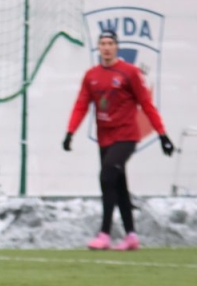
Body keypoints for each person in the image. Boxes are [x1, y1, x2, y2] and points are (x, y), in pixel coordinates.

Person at [64, 29, 174, 251]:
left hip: (125, 137)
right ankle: (131, 236)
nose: (106, 47)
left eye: (110, 43)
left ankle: (104, 233)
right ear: (99, 47)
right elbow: (81, 105)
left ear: (116, 47)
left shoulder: (129, 73)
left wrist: (163, 135)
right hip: (105, 137)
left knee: (106, 176)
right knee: (119, 185)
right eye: (102, 43)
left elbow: (146, 104)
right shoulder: (91, 76)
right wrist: (70, 132)